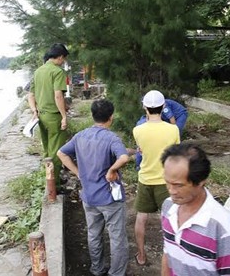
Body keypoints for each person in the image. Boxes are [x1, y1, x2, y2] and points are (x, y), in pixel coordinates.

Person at [57, 99, 130, 276]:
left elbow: (61, 153)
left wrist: (78, 172)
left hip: (89, 196)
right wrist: (113, 169)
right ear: (111, 117)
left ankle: (97, 269)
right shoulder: (111, 138)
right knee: (117, 237)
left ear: (93, 115)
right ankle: (116, 273)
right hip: (109, 198)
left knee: (94, 233)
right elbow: (123, 158)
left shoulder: (81, 136)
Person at [161, 143, 230, 276]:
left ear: (200, 181)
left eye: (178, 185)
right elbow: (168, 254)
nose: (171, 191)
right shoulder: (168, 206)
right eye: (167, 182)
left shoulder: (220, 223)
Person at [132, 90, 180, 266]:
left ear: (145, 107)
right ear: (163, 106)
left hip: (145, 178)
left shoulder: (137, 130)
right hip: (166, 181)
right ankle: (171, 258)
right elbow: (176, 154)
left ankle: (142, 256)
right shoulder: (173, 130)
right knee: (169, 219)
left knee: (141, 217)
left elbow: (142, 149)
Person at [28, 43, 70, 190]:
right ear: (59, 57)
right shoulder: (57, 72)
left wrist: (34, 110)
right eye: (63, 59)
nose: (63, 62)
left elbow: (30, 94)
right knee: (57, 151)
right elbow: (58, 95)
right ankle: (55, 184)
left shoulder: (38, 72)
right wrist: (64, 116)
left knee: (47, 150)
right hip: (54, 116)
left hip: (41, 116)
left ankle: (48, 179)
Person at [134, 98, 188, 170]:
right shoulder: (154, 108)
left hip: (180, 115)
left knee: (177, 131)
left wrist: (173, 131)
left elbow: (172, 119)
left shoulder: (165, 108)